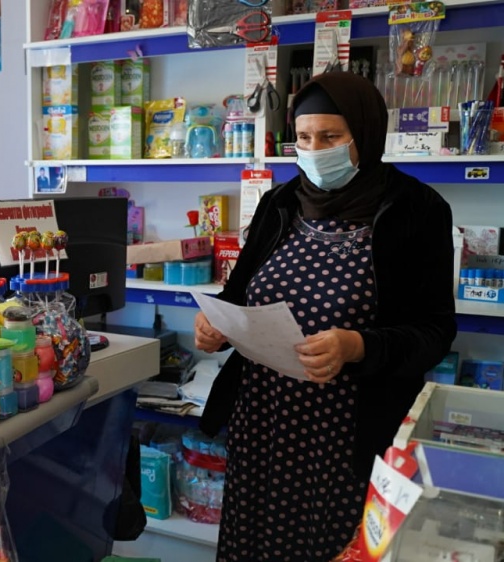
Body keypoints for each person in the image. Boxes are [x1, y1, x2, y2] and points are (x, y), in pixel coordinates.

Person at [194, 72, 457, 561]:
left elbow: (435, 330)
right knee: (253, 544)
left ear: (366, 133)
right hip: (263, 421)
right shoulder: (280, 203)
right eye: (304, 137)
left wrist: (359, 346)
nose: (314, 150)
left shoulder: (416, 210)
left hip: (347, 433)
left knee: (330, 547)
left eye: (331, 137)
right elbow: (239, 293)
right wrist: (219, 326)